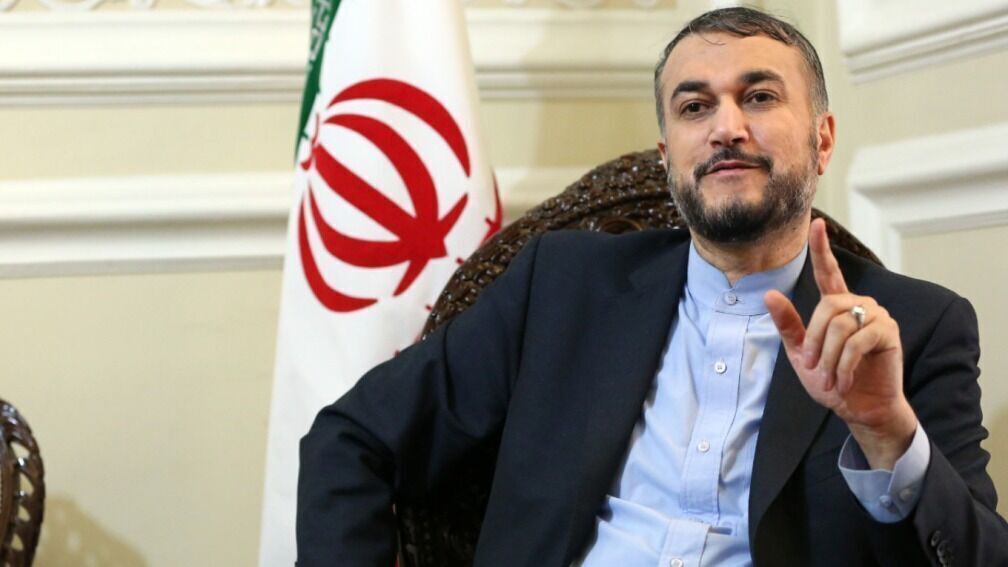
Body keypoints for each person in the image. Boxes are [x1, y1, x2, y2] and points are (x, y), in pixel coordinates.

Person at [296, 7, 1008, 566]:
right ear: (669, 157)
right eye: (695, 107)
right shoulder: (562, 286)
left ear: (822, 140)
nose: (726, 127)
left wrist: (888, 435)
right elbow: (353, 435)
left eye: (759, 96)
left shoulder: (915, 327)